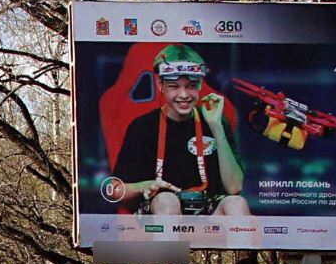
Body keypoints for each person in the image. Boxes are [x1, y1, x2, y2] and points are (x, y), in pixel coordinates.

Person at [102, 44, 249, 222]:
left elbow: (234, 188)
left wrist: (216, 127)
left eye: (191, 86)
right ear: (160, 84)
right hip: (160, 206)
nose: (183, 94)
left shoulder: (216, 120)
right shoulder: (143, 126)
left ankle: (240, 251)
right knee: (167, 200)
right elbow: (114, 191)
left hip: (207, 207)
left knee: (237, 204)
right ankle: (169, 250)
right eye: (174, 86)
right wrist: (146, 186)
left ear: (200, 84)